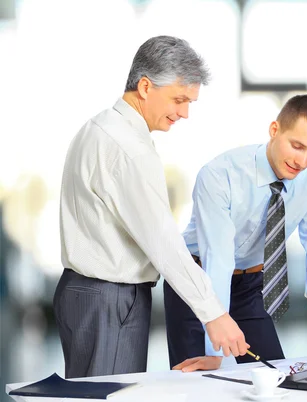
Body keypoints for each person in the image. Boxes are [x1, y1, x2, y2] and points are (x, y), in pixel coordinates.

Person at [54, 35, 247, 379]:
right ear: (145, 86)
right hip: (110, 299)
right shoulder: (130, 148)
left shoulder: (96, 128)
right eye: (179, 99)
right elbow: (162, 240)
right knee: (111, 397)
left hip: (81, 293)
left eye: (190, 102)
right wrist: (214, 314)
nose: (185, 113)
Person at [165, 94, 307, 372]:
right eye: (297, 146)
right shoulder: (220, 174)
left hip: (249, 288)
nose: (303, 161)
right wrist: (214, 350)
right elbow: (217, 258)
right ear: (274, 130)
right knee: (201, 384)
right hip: (196, 284)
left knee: (274, 377)